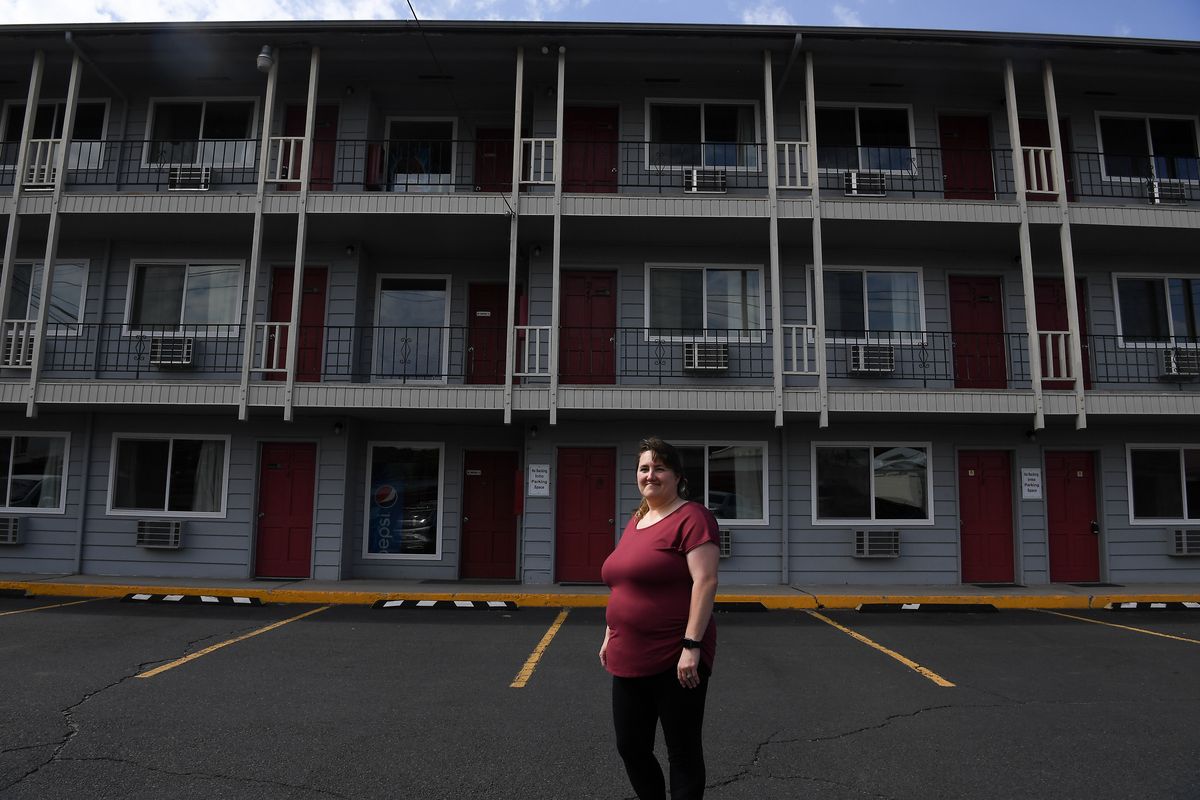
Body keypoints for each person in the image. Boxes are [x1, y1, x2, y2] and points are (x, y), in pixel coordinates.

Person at [600, 436, 721, 800]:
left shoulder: (693, 517)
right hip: (628, 653)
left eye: (659, 468)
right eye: (644, 468)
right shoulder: (637, 520)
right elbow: (624, 583)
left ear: (677, 476)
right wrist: (609, 632)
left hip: (675, 655)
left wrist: (691, 646)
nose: (650, 475)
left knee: (681, 751)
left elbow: (706, 581)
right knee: (630, 747)